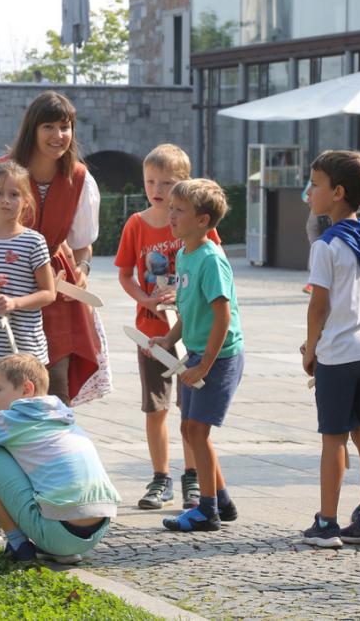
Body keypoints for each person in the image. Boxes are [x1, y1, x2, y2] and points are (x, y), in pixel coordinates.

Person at [0, 91, 103, 405]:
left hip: (55, 288)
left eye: (65, 127)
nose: (58, 136)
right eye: (48, 127)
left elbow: (83, 245)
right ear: (32, 128)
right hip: (3, 280)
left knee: (53, 383)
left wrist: (82, 270)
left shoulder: (81, 179)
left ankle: (50, 449)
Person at [0, 353, 120, 564]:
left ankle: (17, 543)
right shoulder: (62, 417)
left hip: (59, 532)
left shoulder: (9, 420)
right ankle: (54, 549)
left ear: (26, 390)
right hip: (96, 532)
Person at [115, 144, 220, 511]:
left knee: (189, 409)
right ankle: (160, 477)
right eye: (150, 181)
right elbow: (125, 275)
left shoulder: (199, 225)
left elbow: (214, 267)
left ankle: (192, 476)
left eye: (167, 182)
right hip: (150, 331)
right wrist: (144, 301)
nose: (157, 189)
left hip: (191, 332)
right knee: (155, 407)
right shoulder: (136, 224)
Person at [300, 150, 360, 548]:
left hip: (337, 353)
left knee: (333, 438)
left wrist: (310, 348)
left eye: (315, 184)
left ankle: (327, 522)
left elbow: (319, 304)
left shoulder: (326, 245)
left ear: (336, 192)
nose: (309, 191)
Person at [148, 179, 243, 533]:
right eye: (170, 208)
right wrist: (170, 337)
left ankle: (207, 510)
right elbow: (189, 311)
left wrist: (204, 363)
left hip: (218, 358)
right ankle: (223, 502)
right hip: (197, 354)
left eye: (179, 210)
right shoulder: (186, 253)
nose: (170, 215)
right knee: (190, 428)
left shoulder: (210, 259)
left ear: (202, 220)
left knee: (197, 431)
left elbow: (223, 316)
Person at [0, 161, 57, 386]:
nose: (5, 200)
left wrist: (14, 303)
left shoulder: (33, 241)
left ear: (26, 202)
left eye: (14, 194)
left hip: (25, 350)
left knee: (23, 415)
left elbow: (48, 293)